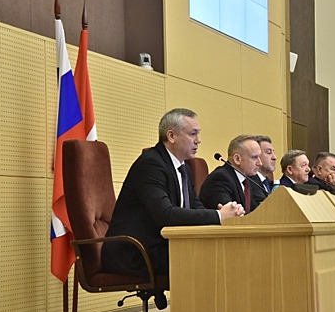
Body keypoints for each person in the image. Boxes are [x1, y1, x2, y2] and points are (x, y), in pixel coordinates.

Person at [101, 108, 244, 278]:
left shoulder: (183, 168)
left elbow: (194, 206)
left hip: (161, 246)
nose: (199, 140)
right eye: (193, 134)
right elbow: (166, 214)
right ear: (171, 136)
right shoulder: (151, 165)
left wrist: (221, 213)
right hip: (134, 252)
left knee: (225, 252)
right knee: (210, 259)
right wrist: (218, 216)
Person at [199, 134, 264, 213]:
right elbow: (230, 215)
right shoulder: (220, 178)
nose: (260, 163)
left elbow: (253, 211)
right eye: (254, 157)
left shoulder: (246, 180)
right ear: (237, 159)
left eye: (259, 157)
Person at [253, 135, 277, 199]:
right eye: (269, 152)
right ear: (256, 155)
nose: (274, 157)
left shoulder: (270, 183)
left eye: (273, 152)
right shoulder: (250, 182)